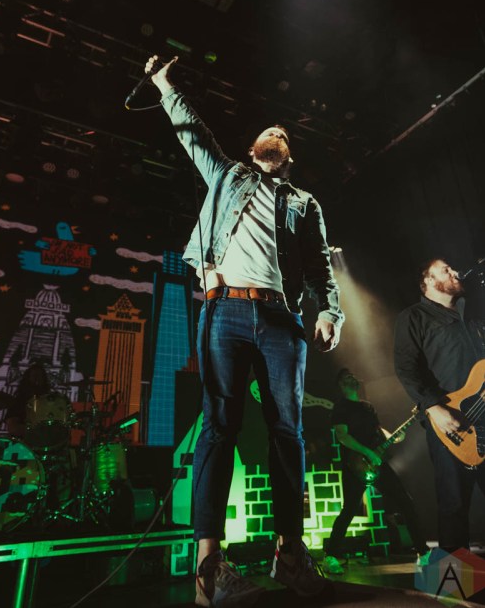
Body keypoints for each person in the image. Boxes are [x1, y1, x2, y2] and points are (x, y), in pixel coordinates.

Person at [146, 55, 344, 606]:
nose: (274, 134)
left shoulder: (304, 204)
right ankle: (209, 569)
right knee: (219, 428)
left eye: (282, 134)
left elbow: (322, 267)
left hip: (282, 319)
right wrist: (164, 85)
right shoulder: (227, 175)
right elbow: (193, 133)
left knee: (288, 433)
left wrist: (330, 311)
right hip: (225, 311)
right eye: (267, 132)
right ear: (254, 149)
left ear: (288, 156)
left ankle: (291, 555)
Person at [394, 258, 485, 553]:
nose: (455, 272)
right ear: (428, 281)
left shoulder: (473, 314)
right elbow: (406, 368)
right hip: (450, 423)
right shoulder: (414, 317)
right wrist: (434, 407)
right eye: (445, 269)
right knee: (453, 504)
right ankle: (454, 580)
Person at [322, 369, 428, 575]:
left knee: (405, 502)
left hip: (378, 462)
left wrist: (393, 436)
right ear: (341, 385)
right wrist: (368, 453)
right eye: (347, 377)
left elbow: (378, 429)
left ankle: (423, 553)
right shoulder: (340, 408)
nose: (353, 377)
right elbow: (343, 437)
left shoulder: (367, 406)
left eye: (353, 375)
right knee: (349, 510)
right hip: (355, 465)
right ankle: (330, 556)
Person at [5, 362, 51, 438]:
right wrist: (37, 432)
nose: (37, 379)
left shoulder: (48, 402)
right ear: (28, 378)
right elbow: (13, 427)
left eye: (40, 376)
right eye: (35, 375)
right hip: (23, 442)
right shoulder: (19, 401)